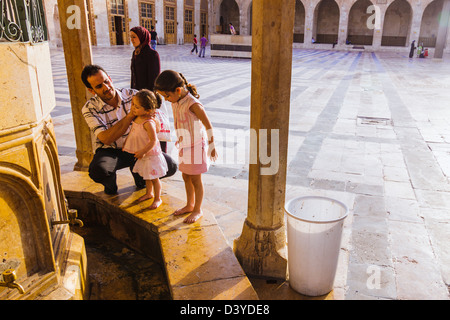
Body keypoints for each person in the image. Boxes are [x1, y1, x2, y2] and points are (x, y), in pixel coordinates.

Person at [81, 64, 177, 195]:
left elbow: (154, 118)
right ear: (91, 90)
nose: (106, 88)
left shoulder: (133, 95)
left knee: (170, 166)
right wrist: (131, 115)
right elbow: (106, 139)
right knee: (99, 171)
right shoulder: (90, 108)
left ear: (110, 78)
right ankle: (111, 186)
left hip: (138, 148)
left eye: (106, 81)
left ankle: (140, 177)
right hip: (111, 150)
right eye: (99, 86)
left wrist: (152, 121)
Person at [154, 70, 218, 223]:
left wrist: (211, 145)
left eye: (167, 96)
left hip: (196, 146)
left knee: (196, 179)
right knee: (185, 176)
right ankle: (189, 205)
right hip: (185, 145)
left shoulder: (193, 104)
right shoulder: (176, 101)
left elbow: (208, 125)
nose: (167, 100)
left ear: (177, 90)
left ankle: (197, 209)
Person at [123, 89, 167, 209]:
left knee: (154, 178)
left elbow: (153, 140)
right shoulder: (137, 118)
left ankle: (158, 198)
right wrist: (127, 144)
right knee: (147, 176)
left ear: (147, 110)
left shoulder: (148, 123)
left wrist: (143, 151)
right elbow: (133, 134)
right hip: (144, 154)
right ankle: (149, 193)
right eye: (133, 105)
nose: (133, 108)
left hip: (151, 155)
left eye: (136, 106)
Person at [130, 26, 160, 92]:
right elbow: (133, 76)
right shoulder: (135, 53)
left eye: (134, 37)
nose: (131, 40)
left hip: (146, 95)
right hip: (136, 93)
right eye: (131, 37)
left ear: (142, 37)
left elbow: (154, 80)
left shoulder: (152, 54)